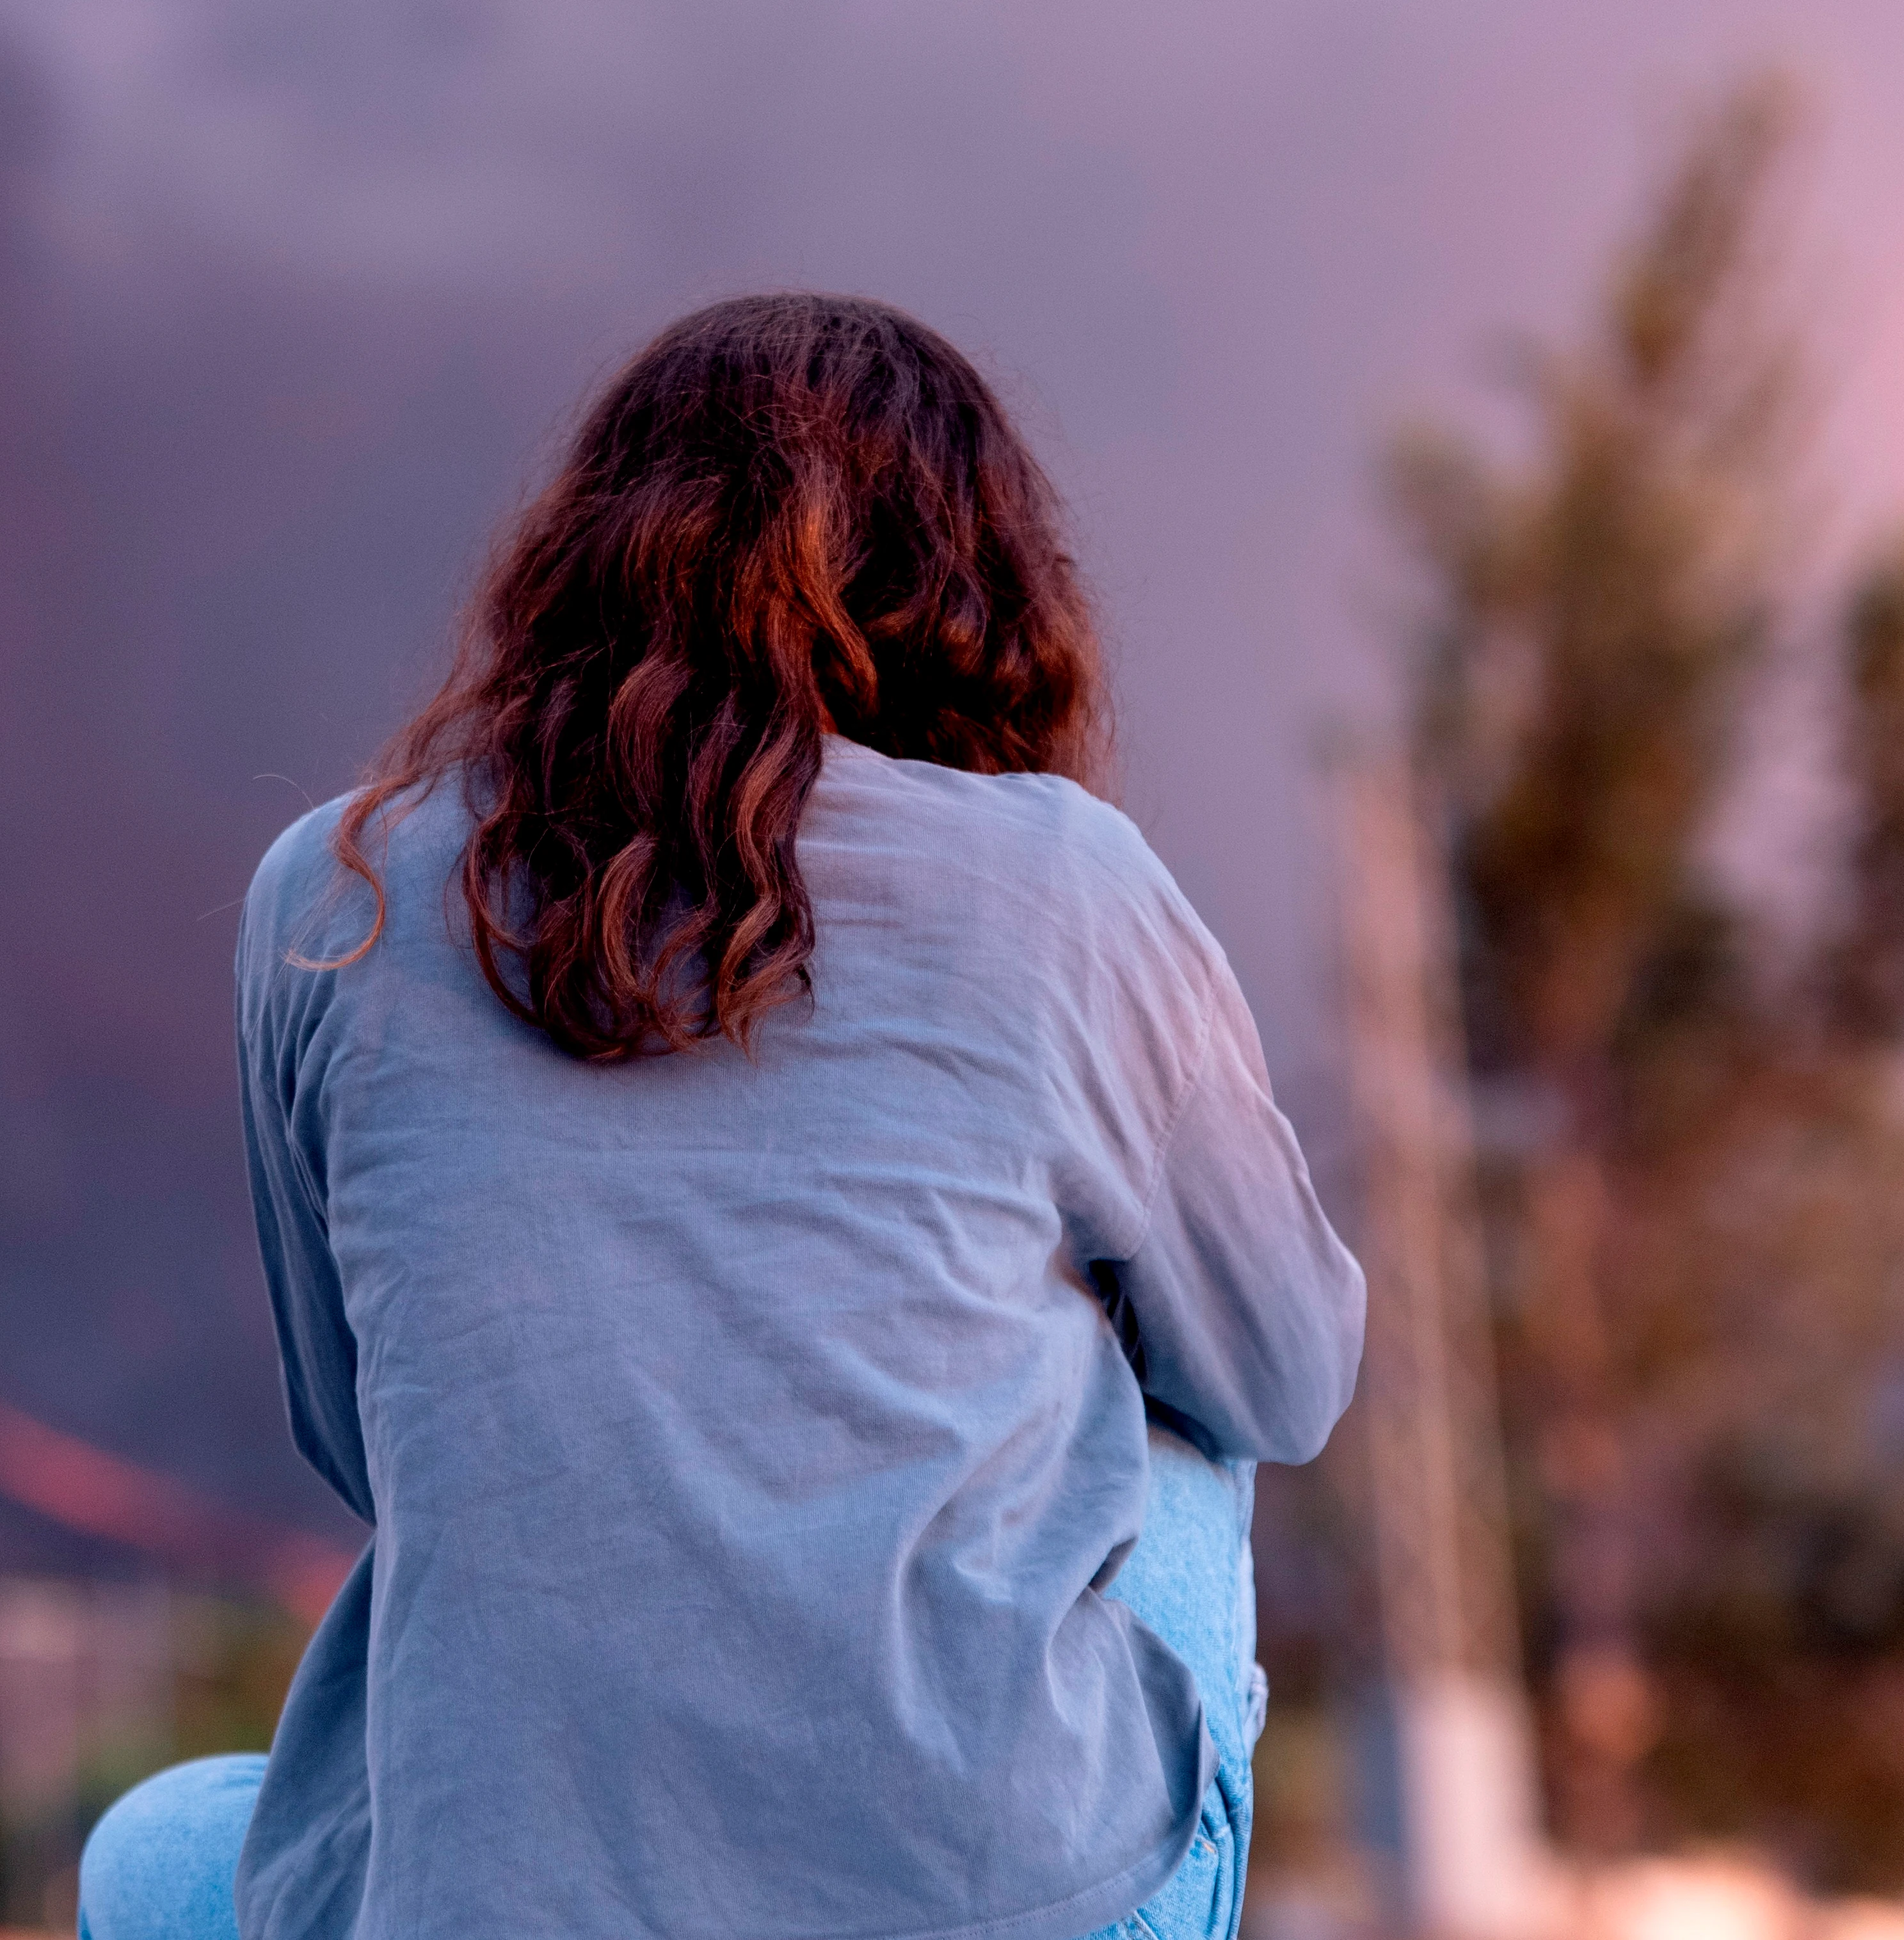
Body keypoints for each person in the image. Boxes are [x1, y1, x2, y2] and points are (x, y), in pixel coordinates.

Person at [87, 294, 1363, 1940]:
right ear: (975, 590)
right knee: (1187, 1401)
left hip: (485, 1900)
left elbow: (363, 1437)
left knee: (149, 1853)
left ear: (582, 555)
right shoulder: (1065, 883)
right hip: (997, 1895)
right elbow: (1290, 1370)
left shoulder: (323, 895)